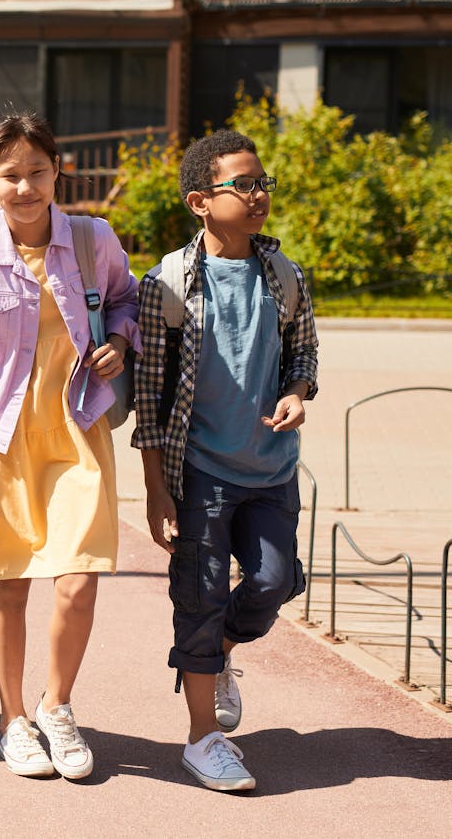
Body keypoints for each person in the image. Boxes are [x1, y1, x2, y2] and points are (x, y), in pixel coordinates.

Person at [0, 112, 140, 780]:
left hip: (77, 430)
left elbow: (129, 299)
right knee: (10, 586)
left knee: (79, 580)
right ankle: (12, 720)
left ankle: (57, 705)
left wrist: (120, 342)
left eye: (37, 172)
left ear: (58, 171)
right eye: (10, 175)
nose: (25, 187)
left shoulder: (90, 239)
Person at [133, 129, 318, 792]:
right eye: (243, 184)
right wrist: (156, 491)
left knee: (275, 582)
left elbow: (304, 358)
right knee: (200, 599)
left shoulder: (287, 275)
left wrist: (297, 394)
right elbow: (149, 395)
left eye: (262, 180)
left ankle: (222, 656)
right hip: (201, 474)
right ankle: (202, 738)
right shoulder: (169, 284)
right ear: (199, 202)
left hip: (271, 470)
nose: (259, 192)